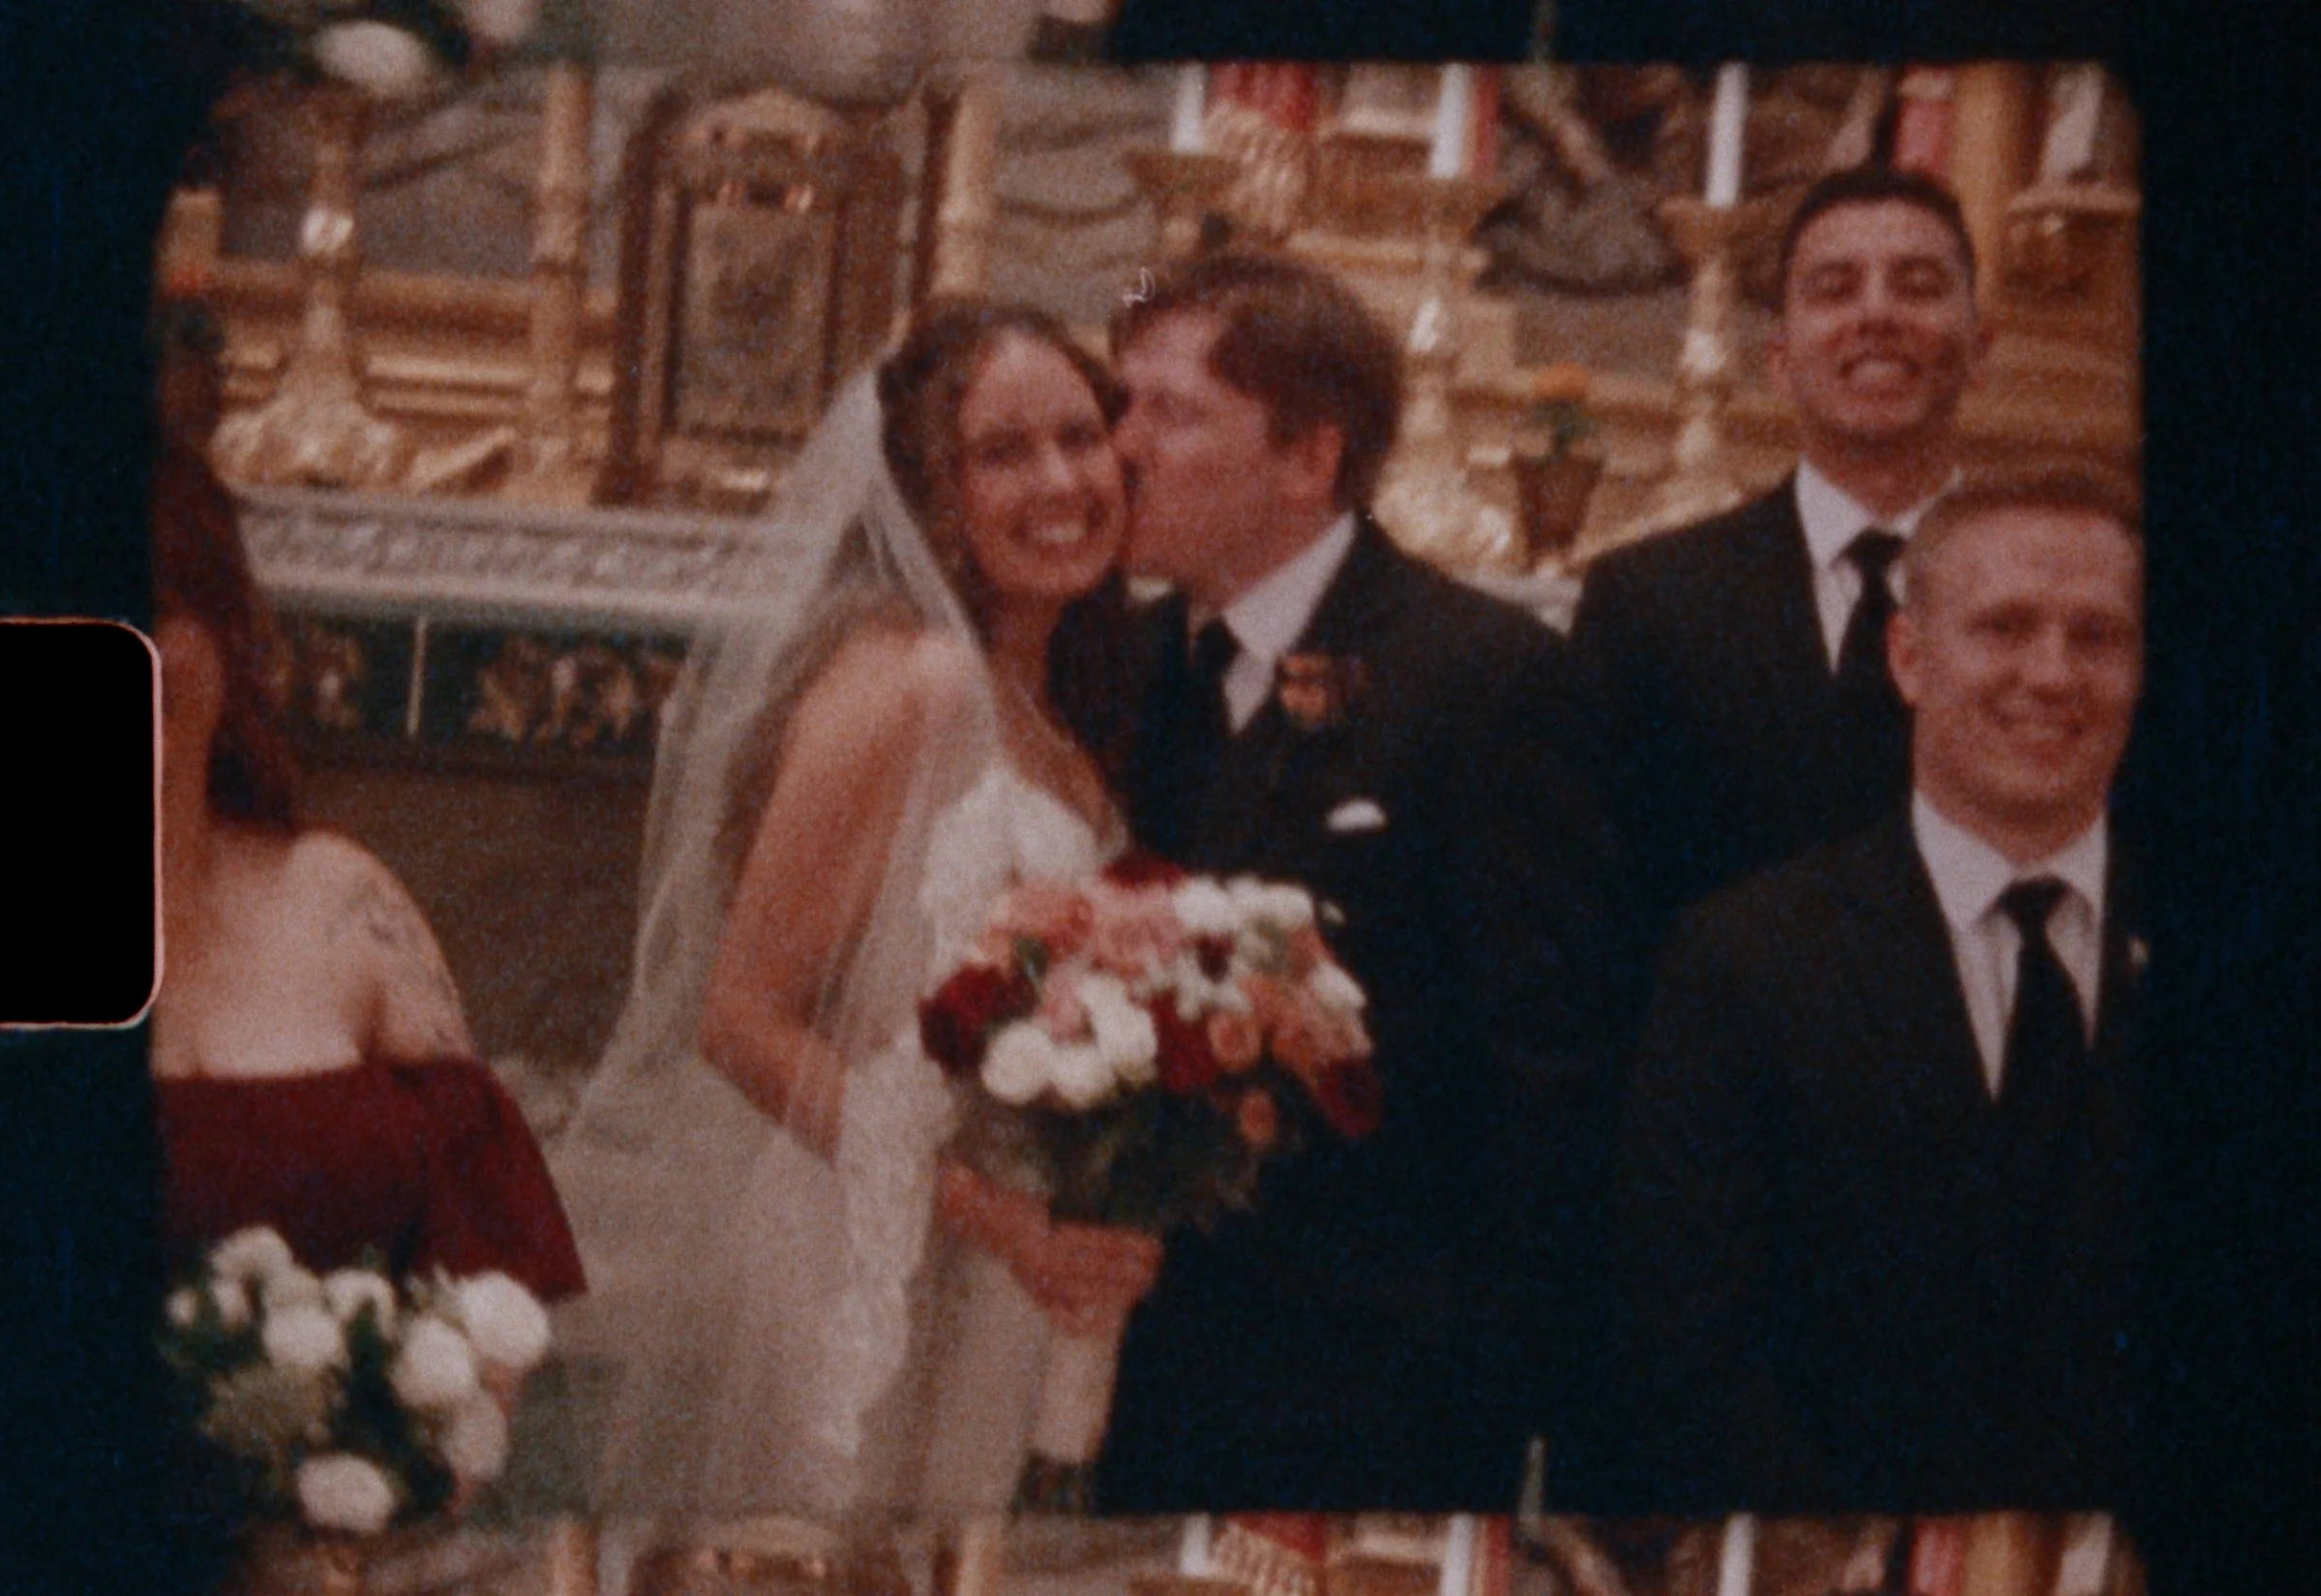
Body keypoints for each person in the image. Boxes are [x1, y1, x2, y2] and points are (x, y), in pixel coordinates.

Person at [551, 303, 1164, 1531]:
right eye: (1002, 453)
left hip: (1001, 1259)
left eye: (1079, 437)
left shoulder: (1055, 703)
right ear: (928, 489)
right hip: (867, 1255)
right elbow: (740, 1017)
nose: (1058, 481)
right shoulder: (912, 678)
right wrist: (991, 1215)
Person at [1084, 252, 1628, 1510]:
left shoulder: (1483, 681)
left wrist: (1482, 1390)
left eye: (1169, 412)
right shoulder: (1124, 657)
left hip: (1371, 1388)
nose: (1121, 448)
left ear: (1307, 457)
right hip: (1136, 1354)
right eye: (1125, 403)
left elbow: (1547, 1072)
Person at [1613, 462, 2147, 1509]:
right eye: (2002, 627)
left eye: (2097, 636)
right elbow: (1684, 1347)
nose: (2052, 673)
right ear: (1908, 655)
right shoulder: (1744, 959)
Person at [149, 439, 585, 1304]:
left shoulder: (344, 899)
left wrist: (405, 1432)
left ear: (224, 634)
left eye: (152, 607)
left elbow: (489, 1279)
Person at [1568, 165, 1992, 958]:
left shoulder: (2064, 607)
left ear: (1981, 345)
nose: (1876, 314)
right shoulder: (1650, 602)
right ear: (1779, 360)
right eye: (1835, 288)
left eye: (1918, 284)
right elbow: (1592, 917)